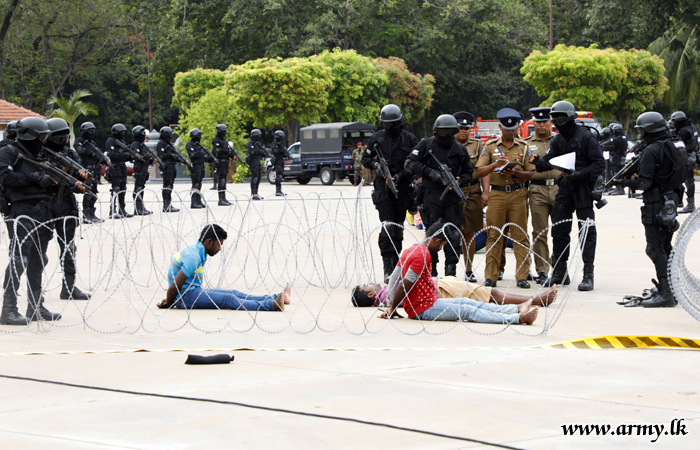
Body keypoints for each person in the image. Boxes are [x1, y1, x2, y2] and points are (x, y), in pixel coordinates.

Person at [377, 221, 538, 325]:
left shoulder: (411, 249)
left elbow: (393, 278)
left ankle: (515, 309)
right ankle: (517, 319)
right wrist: (392, 307)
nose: (440, 249)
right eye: (442, 246)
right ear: (437, 240)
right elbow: (404, 283)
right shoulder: (422, 255)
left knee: (469, 302)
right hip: (422, 308)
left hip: (429, 302)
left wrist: (391, 304)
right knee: (467, 310)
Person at [613, 112, 687, 307]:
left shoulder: (651, 150)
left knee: (654, 248)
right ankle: (672, 288)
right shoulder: (672, 145)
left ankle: (666, 294)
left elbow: (645, 183)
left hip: (655, 204)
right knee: (666, 247)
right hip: (670, 201)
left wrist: (623, 182)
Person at [0, 117, 70, 324]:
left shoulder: (40, 154)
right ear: (31, 135)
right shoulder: (9, 152)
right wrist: (35, 178)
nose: (44, 140)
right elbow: (5, 178)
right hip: (21, 211)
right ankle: (8, 309)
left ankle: (36, 306)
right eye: (42, 136)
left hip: (43, 211)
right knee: (20, 259)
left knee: (38, 260)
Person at [532, 101, 605, 291]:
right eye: (555, 119)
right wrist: (539, 163)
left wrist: (580, 175)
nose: (558, 123)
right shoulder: (558, 140)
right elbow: (550, 160)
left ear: (571, 118)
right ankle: (559, 272)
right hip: (565, 188)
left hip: (583, 189)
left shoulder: (586, 137)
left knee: (586, 232)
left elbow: (599, 164)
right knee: (559, 230)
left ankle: (588, 274)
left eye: (561, 119)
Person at [156, 224, 288, 311]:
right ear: (209, 242)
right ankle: (271, 305)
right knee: (228, 299)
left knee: (234, 293)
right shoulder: (194, 257)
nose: (219, 249)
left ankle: (276, 297)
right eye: (219, 244)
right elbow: (174, 286)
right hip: (185, 297)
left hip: (191, 292)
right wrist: (169, 302)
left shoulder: (197, 251)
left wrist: (170, 299)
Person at [405, 114, 472, 277]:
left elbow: (469, 173)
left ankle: (451, 270)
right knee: (433, 233)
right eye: (445, 133)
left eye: (450, 133)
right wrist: (430, 173)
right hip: (431, 196)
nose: (448, 137)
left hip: (453, 199)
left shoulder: (460, 149)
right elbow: (409, 164)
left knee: (453, 234)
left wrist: (459, 180)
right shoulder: (425, 145)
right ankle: (431, 269)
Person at [475, 108, 535, 288]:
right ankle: (491, 276)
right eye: (506, 129)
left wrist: (515, 171)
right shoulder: (490, 146)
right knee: (494, 234)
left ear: (517, 128)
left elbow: (531, 174)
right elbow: (479, 171)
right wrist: (496, 165)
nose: (509, 132)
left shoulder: (524, 147)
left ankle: (522, 276)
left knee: (519, 235)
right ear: (500, 127)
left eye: (513, 129)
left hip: (518, 194)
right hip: (497, 194)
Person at [362, 104, 419, 282]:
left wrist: (400, 176)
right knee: (387, 226)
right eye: (388, 124)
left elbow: (415, 164)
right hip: (383, 190)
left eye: (394, 124)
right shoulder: (376, 138)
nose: (391, 128)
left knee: (398, 227)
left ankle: (396, 263)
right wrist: (376, 166)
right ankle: (388, 266)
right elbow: (365, 159)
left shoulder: (410, 139)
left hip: (401, 189)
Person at [45, 118, 92, 301]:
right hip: (46, 204)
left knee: (68, 247)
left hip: (66, 203)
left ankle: (69, 287)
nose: (62, 140)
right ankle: (35, 289)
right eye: (58, 137)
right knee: (38, 250)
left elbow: (77, 178)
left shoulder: (69, 154)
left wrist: (79, 181)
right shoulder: (41, 153)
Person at [352, 278, 558, 308]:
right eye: (367, 285)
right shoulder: (389, 295)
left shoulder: (387, 295)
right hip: (441, 290)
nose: (371, 282)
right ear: (370, 295)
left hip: (440, 285)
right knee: (488, 294)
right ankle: (537, 300)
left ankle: (534, 299)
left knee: (487, 294)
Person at [525, 107, 558, 285]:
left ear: (550, 122)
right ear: (534, 123)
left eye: (545, 121)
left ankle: (559, 266)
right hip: (537, 190)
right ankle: (543, 270)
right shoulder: (526, 143)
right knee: (540, 231)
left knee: (560, 231)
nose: (542, 125)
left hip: (559, 188)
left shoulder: (560, 141)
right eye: (538, 122)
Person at [452, 111, 487, 283]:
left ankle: (468, 270)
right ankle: (448, 269)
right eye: (460, 128)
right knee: (449, 231)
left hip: (472, 190)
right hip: (450, 192)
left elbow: (484, 171)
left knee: (469, 233)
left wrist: (486, 192)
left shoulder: (478, 146)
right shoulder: (447, 144)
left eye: (467, 128)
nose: (464, 131)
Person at [74, 121, 104, 223]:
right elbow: (80, 150)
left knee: (94, 193)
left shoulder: (93, 143)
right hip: (86, 169)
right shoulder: (79, 141)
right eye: (90, 131)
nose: (92, 133)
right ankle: (86, 215)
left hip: (95, 169)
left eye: (93, 130)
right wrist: (91, 153)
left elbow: (98, 154)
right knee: (88, 192)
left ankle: (92, 214)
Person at [670, 111, 697, 214]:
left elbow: (678, 145)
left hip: (685, 157)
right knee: (686, 180)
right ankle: (681, 201)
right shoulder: (692, 127)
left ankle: (690, 205)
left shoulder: (683, 131)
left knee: (687, 180)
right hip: (691, 155)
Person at [105, 123, 135, 219]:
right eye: (121, 132)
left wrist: (130, 156)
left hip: (122, 166)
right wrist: (124, 155)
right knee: (116, 188)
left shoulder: (121, 141)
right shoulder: (111, 141)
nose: (123, 134)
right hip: (115, 167)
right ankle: (112, 210)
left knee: (123, 189)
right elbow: (112, 155)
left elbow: (125, 155)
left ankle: (122, 210)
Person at [156, 126, 186, 212]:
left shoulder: (169, 144)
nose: (171, 136)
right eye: (169, 134)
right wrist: (171, 155)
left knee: (171, 185)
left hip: (172, 166)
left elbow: (174, 154)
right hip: (167, 166)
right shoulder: (161, 143)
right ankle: (166, 205)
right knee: (167, 185)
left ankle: (169, 204)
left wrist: (178, 158)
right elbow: (161, 155)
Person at [212, 124, 238, 206]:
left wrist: (232, 155)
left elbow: (227, 150)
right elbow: (218, 151)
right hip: (220, 162)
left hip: (225, 161)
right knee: (221, 180)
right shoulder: (216, 140)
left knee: (224, 180)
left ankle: (224, 197)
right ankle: (221, 199)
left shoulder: (224, 141)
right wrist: (227, 152)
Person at [131, 126, 154, 215]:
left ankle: (141, 206)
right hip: (139, 168)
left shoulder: (142, 145)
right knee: (138, 188)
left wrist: (151, 160)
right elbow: (137, 157)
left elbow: (145, 157)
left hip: (144, 168)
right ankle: (137, 208)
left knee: (142, 187)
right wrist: (146, 157)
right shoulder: (135, 144)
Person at [186, 128, 209, 209]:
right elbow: (192, 154)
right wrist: (201, 153)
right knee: (195, 184)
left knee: (199, 184)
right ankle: (194, 201)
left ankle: (198, 200)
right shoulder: (190, 144)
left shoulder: (198, 145)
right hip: (195, 166)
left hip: (200, 165)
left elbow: (201, 157)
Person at [245, 129, 269, 201]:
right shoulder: (250, 143)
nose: (259, 137)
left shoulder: (258, 143)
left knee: (258, 177)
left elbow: (260, 152)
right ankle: (253, 193)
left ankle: (256, 192)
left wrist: (264, 153)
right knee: (254, 177)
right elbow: (252, 152)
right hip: (253, 161)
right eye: (258, 135)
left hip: (258, 161)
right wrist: (260, 151)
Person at [271, 130, 291, 196]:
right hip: (277, 161)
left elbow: (282, 152)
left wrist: (286, 155)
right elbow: (275, 151)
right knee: (278, 176)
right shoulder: (275, 143)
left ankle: (279, 190)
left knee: (280, 176)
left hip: (281, 161)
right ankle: (278, 191)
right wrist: (282, 151)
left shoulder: (280, 144)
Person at [610, 123, 627, 195]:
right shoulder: (624, 137)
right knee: (620, 173)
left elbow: (613, 148)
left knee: (617, 173)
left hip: (616, 157)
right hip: (622, 156)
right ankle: (620, 188)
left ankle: (619, 189)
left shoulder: (616, 139)